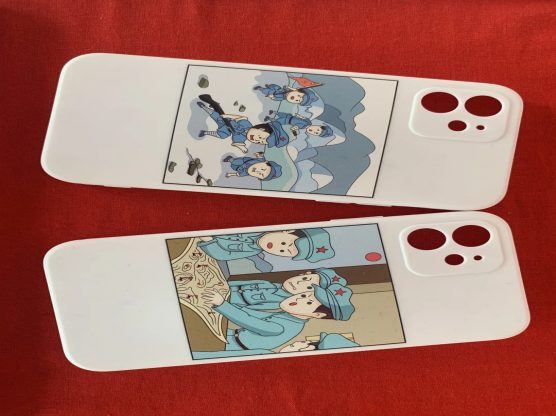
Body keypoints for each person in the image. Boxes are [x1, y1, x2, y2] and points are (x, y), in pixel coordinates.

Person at [201, 283, 355, 352]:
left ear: (317, 315)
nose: (298, 298)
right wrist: (226, 304)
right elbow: (256, 315)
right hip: (228, 336)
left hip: (229, 346)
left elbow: (250, 321)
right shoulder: (289, 317)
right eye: (304, 295)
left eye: (308, 302)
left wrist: (222, 304)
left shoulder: (287, 326)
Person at [196, 95, 290, 153]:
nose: (256, 140)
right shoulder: (246, 124)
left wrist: (242, 148)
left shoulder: (242, 137)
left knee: (222, 136)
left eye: (259, 142)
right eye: (260, 137)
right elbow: (239, 117)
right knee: (216, 115)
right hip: (227, 121)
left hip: (225, 131)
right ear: (261, 129)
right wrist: (227, 115)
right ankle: (205, 107)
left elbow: (236, 143)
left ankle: (206, 132)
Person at [226, 268, 348, 311]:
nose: (299, 282)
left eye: (308, 287)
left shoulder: (281, 301)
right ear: (302, 274)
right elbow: (241, 283)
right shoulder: (268, 283)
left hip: (231, 301)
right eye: (305, 278)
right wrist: (224, 285)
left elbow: (252, 308)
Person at [197, 228, 335, 263]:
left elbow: (223, 255)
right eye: (283, 243)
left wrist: (208, 240)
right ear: (288, 231)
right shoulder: (258, 224)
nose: (277, 248)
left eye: (282, 251)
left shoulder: (253, 250)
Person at [191, 332, 359, 359]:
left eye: (307, 342)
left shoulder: (264, 354)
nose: (298, 342)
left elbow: (206, 357)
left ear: (307, 348)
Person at [264, 111, 334, 138]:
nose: (314, 131)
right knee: (281, 114)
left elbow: (296, 127)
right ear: (319, 126)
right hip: (290, 117)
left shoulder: (302, 127)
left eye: (316, 133)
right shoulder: (309, 122)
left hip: (287, 121)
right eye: (317, 130)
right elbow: (304, 118)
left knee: (278, 121)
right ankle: (274, 112)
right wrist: (299, 116)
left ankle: (269, 118)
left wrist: (294, 129)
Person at [254, 84, 319, 106]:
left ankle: (260, 88)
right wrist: (290, 88)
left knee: (268, 91)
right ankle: (269, 86)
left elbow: (276, 98)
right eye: (298, 96)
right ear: (297, 91)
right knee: (273, 86)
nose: (296, 98)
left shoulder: (282, 97)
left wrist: (272, 97)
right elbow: (289, 88)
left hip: (275, 93)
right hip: (279, 89)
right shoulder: (289, 90)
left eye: (297, 100)